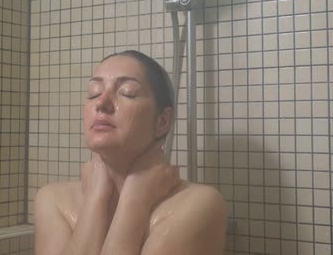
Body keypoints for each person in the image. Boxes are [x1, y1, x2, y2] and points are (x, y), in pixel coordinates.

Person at [34, 50, 227, 255]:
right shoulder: (54, 200)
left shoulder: (198, 205)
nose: (101, 103)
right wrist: (96, 197)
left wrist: (135, 199)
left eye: (128, 92)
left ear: (162, 121)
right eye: (94, 92)